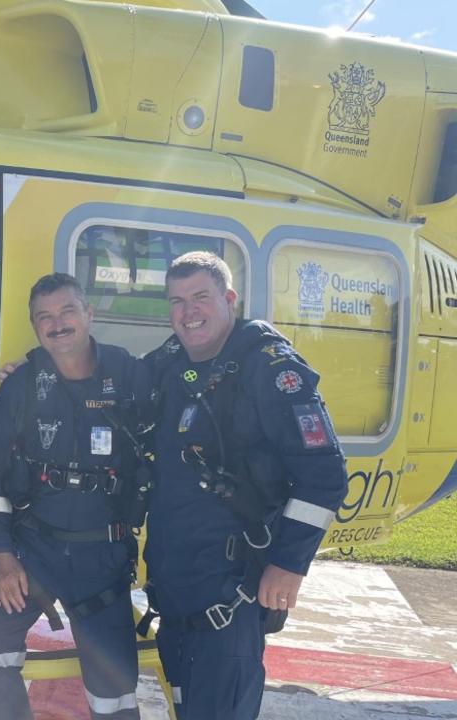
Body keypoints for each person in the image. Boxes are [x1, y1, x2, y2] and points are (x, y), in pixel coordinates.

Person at [143, 251, 349, 719]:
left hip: (230, 593)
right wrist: (33, 372)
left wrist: (289, 563)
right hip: (177, 589)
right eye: (177, 301)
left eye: (200, 297)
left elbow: (325, 475)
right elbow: (117, 385)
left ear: (229, 299)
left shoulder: (271, 368)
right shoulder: (172, 361)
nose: (188, 312)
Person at [0, 273, 151, 720]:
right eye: (45, 317)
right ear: (34, 326)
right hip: (34, 553)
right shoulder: (21, 385)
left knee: (115, 691)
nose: (57, 324)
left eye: (67, 311)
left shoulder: (132, 375)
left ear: (88, 313)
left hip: (102, 557)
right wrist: (4, 557)